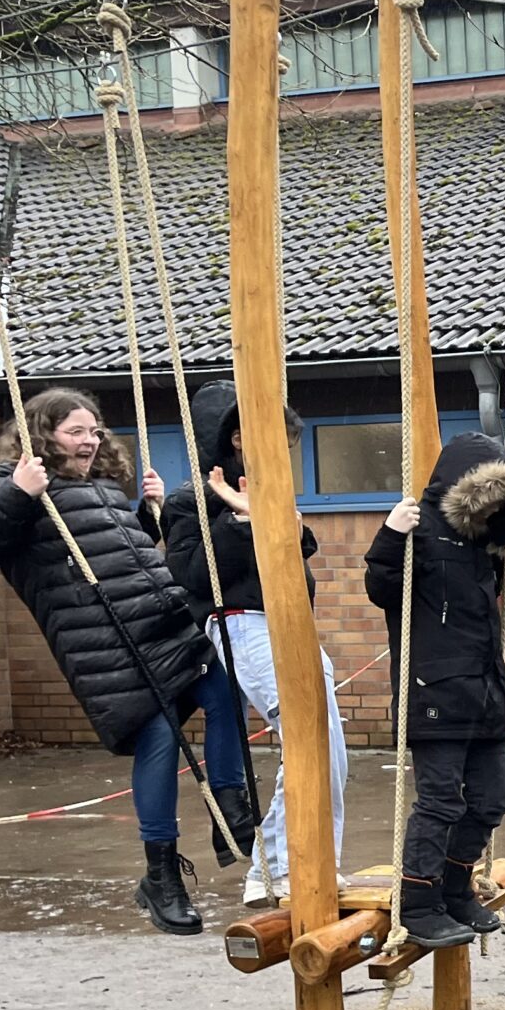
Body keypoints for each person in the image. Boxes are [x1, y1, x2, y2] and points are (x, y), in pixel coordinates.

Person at [0, 386, 251, 936]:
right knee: (160, 740)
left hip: (165, 625)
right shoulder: (11, 481)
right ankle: (161, 876)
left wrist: (147, 515)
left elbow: (119, 553)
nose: (89, 441)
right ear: (44, 435)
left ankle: (230, 808)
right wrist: (19, 491)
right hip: (112, 648)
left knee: (224, 692)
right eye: (75, 432)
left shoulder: (101, 486)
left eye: (94, 431)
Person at [163, 381, 349, 906]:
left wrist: (277, 522)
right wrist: (240, 519)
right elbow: (192, 577)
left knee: (330, 747)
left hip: (289, 623)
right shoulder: (190, 500)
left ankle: (307, 861)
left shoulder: (270, 492)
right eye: (279, 442)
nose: (286, 455)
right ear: (242, 439)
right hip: (240, 621)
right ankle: (278, 867)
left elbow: (296, 562)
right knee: (306, 735)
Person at [362, 432, 505, 950]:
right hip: (435, 692)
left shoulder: (488, 545)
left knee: (492, 799)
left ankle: (454, 885)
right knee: (441, 800)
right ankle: (419, 899)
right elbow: (381, 590)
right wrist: (391, 536)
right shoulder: (421, 532)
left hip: (484, 692)